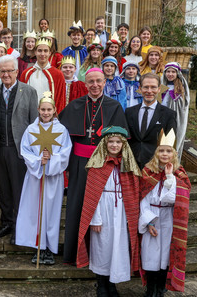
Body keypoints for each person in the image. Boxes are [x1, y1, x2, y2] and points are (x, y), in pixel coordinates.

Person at [58, 68, 128, 265]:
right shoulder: (74, 106)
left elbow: (121, 140)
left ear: (105, 82)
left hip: (104, 164)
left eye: (98, 81)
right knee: (76, 206)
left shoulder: (114, 107)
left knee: (101, 208)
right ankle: (73, 254)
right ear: (85, 84)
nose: (95, 85)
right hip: (79, 163)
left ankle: (101, 256)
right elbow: (60, 133)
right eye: (91, 82)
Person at [76, 126, 141, 296]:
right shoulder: (97, 165)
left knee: (118, 246)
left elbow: (133, 193)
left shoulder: (129, 165)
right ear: (105, 143)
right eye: (110, 141)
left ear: (123, 144)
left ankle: (113, 283)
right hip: (102, 210)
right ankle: (102, 283)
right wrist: (95, 219)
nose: (114, 145)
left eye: (118, 142)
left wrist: (131, 216)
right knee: (101, 246)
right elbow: (92, 195)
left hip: (121, 213)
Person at [0, 55, 38, 245]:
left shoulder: (29, 91)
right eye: (3, 71)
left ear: (17, 71)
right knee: (5, 191)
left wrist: (33, 151)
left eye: (10, 71)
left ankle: (19, 227)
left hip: (20, 151)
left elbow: (34, 124)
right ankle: (7, 223)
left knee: (19, 191)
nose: (6, 74)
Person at [16, 92, 72, 265]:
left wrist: (52, 161)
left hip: (53, 178)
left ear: (55, 110)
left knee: (51, 213)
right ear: (38, 110)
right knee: (36, 212)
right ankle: (38, 247)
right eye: (43, 109)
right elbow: (24, 150)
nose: (46, 113)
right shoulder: (31, 130)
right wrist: (39, 161)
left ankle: (49, 249)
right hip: (35, 177)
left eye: (49, 109)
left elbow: (65, 153)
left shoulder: (61, 130)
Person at [139, 129, 191, 295]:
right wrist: (149, 222)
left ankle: (161, 288)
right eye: (161, 150)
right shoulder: (148, 171)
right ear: (156, 153)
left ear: (174, 153)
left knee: (165, 255)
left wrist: (169, 178)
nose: (164, 154)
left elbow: (174, 199)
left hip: (169, 218)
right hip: (151, 216)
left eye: (168, 151)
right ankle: (150, 288)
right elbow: (142, 199)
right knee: (150, 254)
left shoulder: (179, 174)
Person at [125, 73, 177, 168]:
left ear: (159, 89)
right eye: (146, 87)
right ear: (140, 89)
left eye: (153, 87)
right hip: (131, 164)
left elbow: (170, 145)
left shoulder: (169, 114)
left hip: (155, 166)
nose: (149, 91)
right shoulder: (129, 112)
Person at [19, 38, 66, 111]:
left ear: (50, 53)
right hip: (30, 116)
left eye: (46, 51)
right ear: (35, 52)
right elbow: (21, 98)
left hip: (50, 117)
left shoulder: (58, 74)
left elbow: (60, 99)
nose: (42, 54)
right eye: (39, 51)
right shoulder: (26, 74)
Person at [161, 62, 190, 162]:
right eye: (168, 71)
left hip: (175, 118)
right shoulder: (161, 85)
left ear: (177, 73)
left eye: (173, 72)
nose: (170, 74)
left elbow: (184, 105)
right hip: (161, 118)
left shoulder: (181, 87)